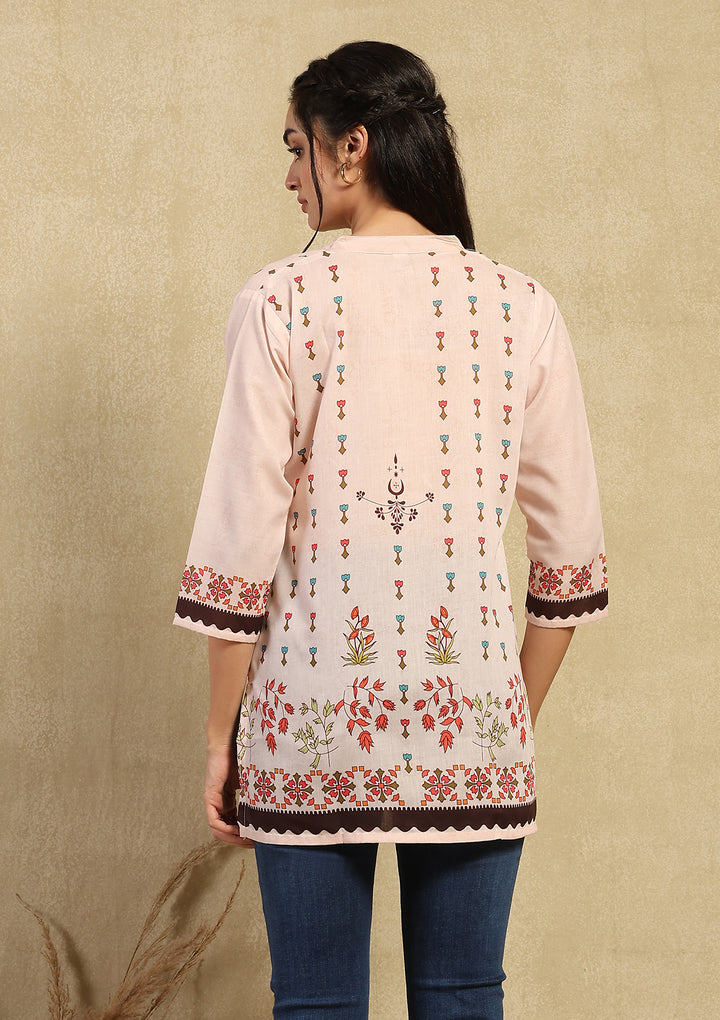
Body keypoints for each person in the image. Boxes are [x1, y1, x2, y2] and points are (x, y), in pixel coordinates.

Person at [174, 40, 608, 1020]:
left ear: (352, 145)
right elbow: (570, 558)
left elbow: (238, 543)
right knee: (464, 997)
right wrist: (503, 712)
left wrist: (218, 738)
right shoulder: (523, 308)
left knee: (315, 1005)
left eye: (297, 147)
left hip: (308, 719)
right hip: (473, 720)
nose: (290, 175)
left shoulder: (282, 301)